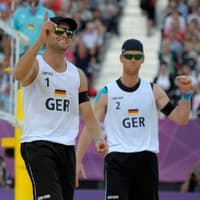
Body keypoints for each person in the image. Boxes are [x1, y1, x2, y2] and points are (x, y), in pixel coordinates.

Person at [76, 38, 192, 200]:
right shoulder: (107, 93)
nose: (133, 60)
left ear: (143, 59)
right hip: (117, 159)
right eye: (129, 56)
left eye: (137, 57)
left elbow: (181, 119)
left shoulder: (154, 91)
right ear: (121, 57)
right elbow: (91, 126)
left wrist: (186, 94)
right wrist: (78, 160)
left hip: (145, 160)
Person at [13, 13, 107, 200]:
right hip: (38, 144)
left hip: (66, 148)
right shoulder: (36, 65)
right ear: (48, 33)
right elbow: (17, 74)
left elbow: (88, 114)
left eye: (69, 32)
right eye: (60, 30)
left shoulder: (77, 75)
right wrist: (40, 40)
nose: (65, 35)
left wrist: (98, 139)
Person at [3, 0, 55, 67]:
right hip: (21, 55)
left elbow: (53, 36)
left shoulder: (49, 13)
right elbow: (9, 35)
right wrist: (7, 58)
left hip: (41, 55)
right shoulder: (18, 13)